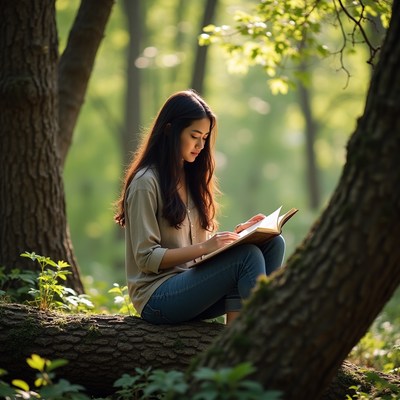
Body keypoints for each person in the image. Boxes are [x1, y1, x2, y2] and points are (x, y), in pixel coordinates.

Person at [114, 89, 285, 324]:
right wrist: (207, 246)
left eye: (205, 138)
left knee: (272, 243)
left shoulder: (192, 177)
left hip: (192, 284)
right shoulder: (146, 183)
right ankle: (261, 336)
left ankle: (236, 344)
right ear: (170, 130)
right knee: (246, 257)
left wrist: (239, 235)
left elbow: (199, 247)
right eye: (195, 136)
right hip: (157, 296)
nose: (201, 145)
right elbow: (146, 258)